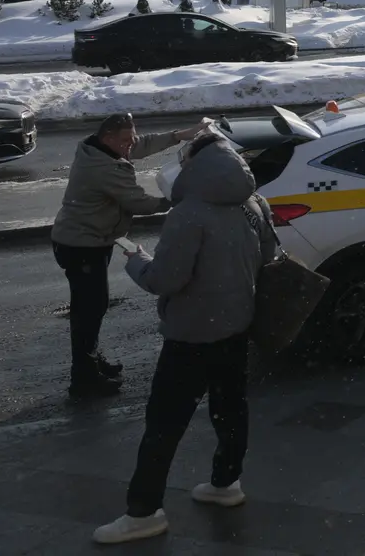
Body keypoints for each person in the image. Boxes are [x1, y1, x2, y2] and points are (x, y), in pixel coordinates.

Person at [91, 131, 279, 544]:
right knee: (231, 410)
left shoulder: (189, 214)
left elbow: (165, 280)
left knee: (163, 424)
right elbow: (269, 259)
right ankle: (226, 483)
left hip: (191, 335)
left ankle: (143, 512)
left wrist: (136, 261)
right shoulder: (255, 203)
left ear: (193, 165)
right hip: (236, 326)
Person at [50, 114, 201, 399]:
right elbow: (139, 202)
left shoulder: (100, 147)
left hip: (87, 240)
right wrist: (179, 199)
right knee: (88, 311)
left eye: (131, 138)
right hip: (81, 246)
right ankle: (83, 380)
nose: (131, 145)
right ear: (109, 139)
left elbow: (140, 145)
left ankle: (91, 360)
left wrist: (179, 135)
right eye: (125, 141)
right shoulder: (103, 167)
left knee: (91, 308)